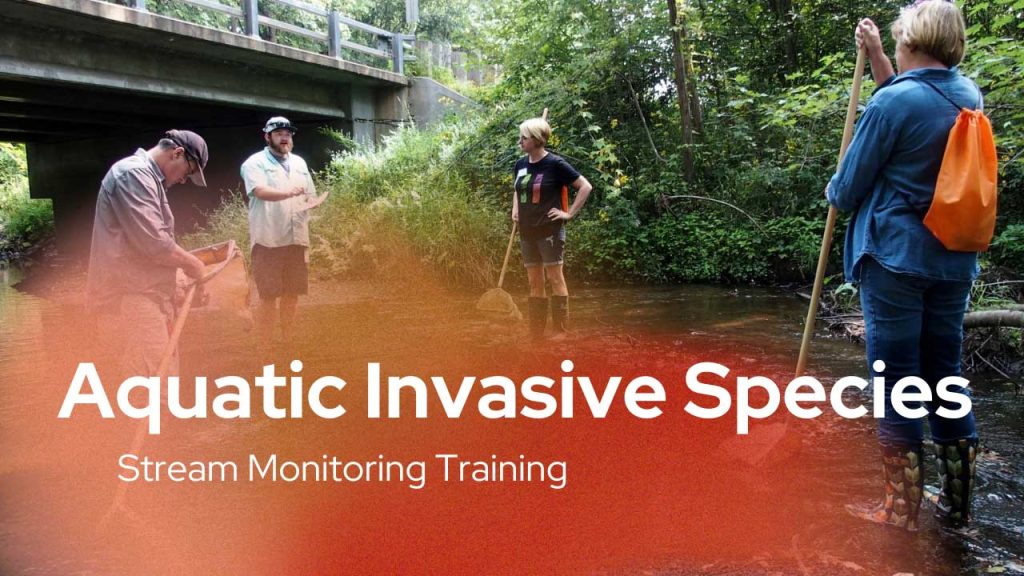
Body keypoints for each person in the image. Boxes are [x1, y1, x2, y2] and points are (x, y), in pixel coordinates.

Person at [827, 0, 981, 531]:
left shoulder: (893, 106)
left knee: (896, 383)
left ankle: (899, 511)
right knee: (945, 377)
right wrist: (873, 55)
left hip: (895, 258)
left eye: (894, 40)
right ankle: (956, 507)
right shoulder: (966, 94)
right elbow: (910, 97)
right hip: (954, 259)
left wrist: (837, 180)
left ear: (911, 40)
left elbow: (845, 191)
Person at [86, 129, 210, 376]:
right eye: (188, 172)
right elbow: (155, 244)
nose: (184, 180)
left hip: (145, 297)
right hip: (130, 299)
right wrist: (195, 266)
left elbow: (149, 247)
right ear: (177, 153)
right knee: (151, 388)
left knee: (160, 382)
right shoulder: (133, 174)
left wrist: (174, 281)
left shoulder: (149, 179)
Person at [511, 117, 593, 340]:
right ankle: (536, 333)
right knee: (534, 282)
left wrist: (569, 213)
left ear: (537, 140)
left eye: (524, 138)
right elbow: (518, 190)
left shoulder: (555, 164)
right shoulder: (520, 164)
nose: (520, 141)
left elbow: (585, 186)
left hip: (550, 231)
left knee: (555, 278)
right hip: (527, 231)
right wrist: (515, 209)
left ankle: (560, 331)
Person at [241, 116, 318, 347]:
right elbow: (259, 191)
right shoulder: (254, 163)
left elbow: (309, 194)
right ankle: (265, 344)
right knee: (268, 296)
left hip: (296, 238)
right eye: (279, 134)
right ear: (268, 136)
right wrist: (288, 193)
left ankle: (288, 341)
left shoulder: (300, 163)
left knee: (292, 294)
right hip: (269, 240)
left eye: (288, 134)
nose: (285, 138)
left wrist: (313, 202)